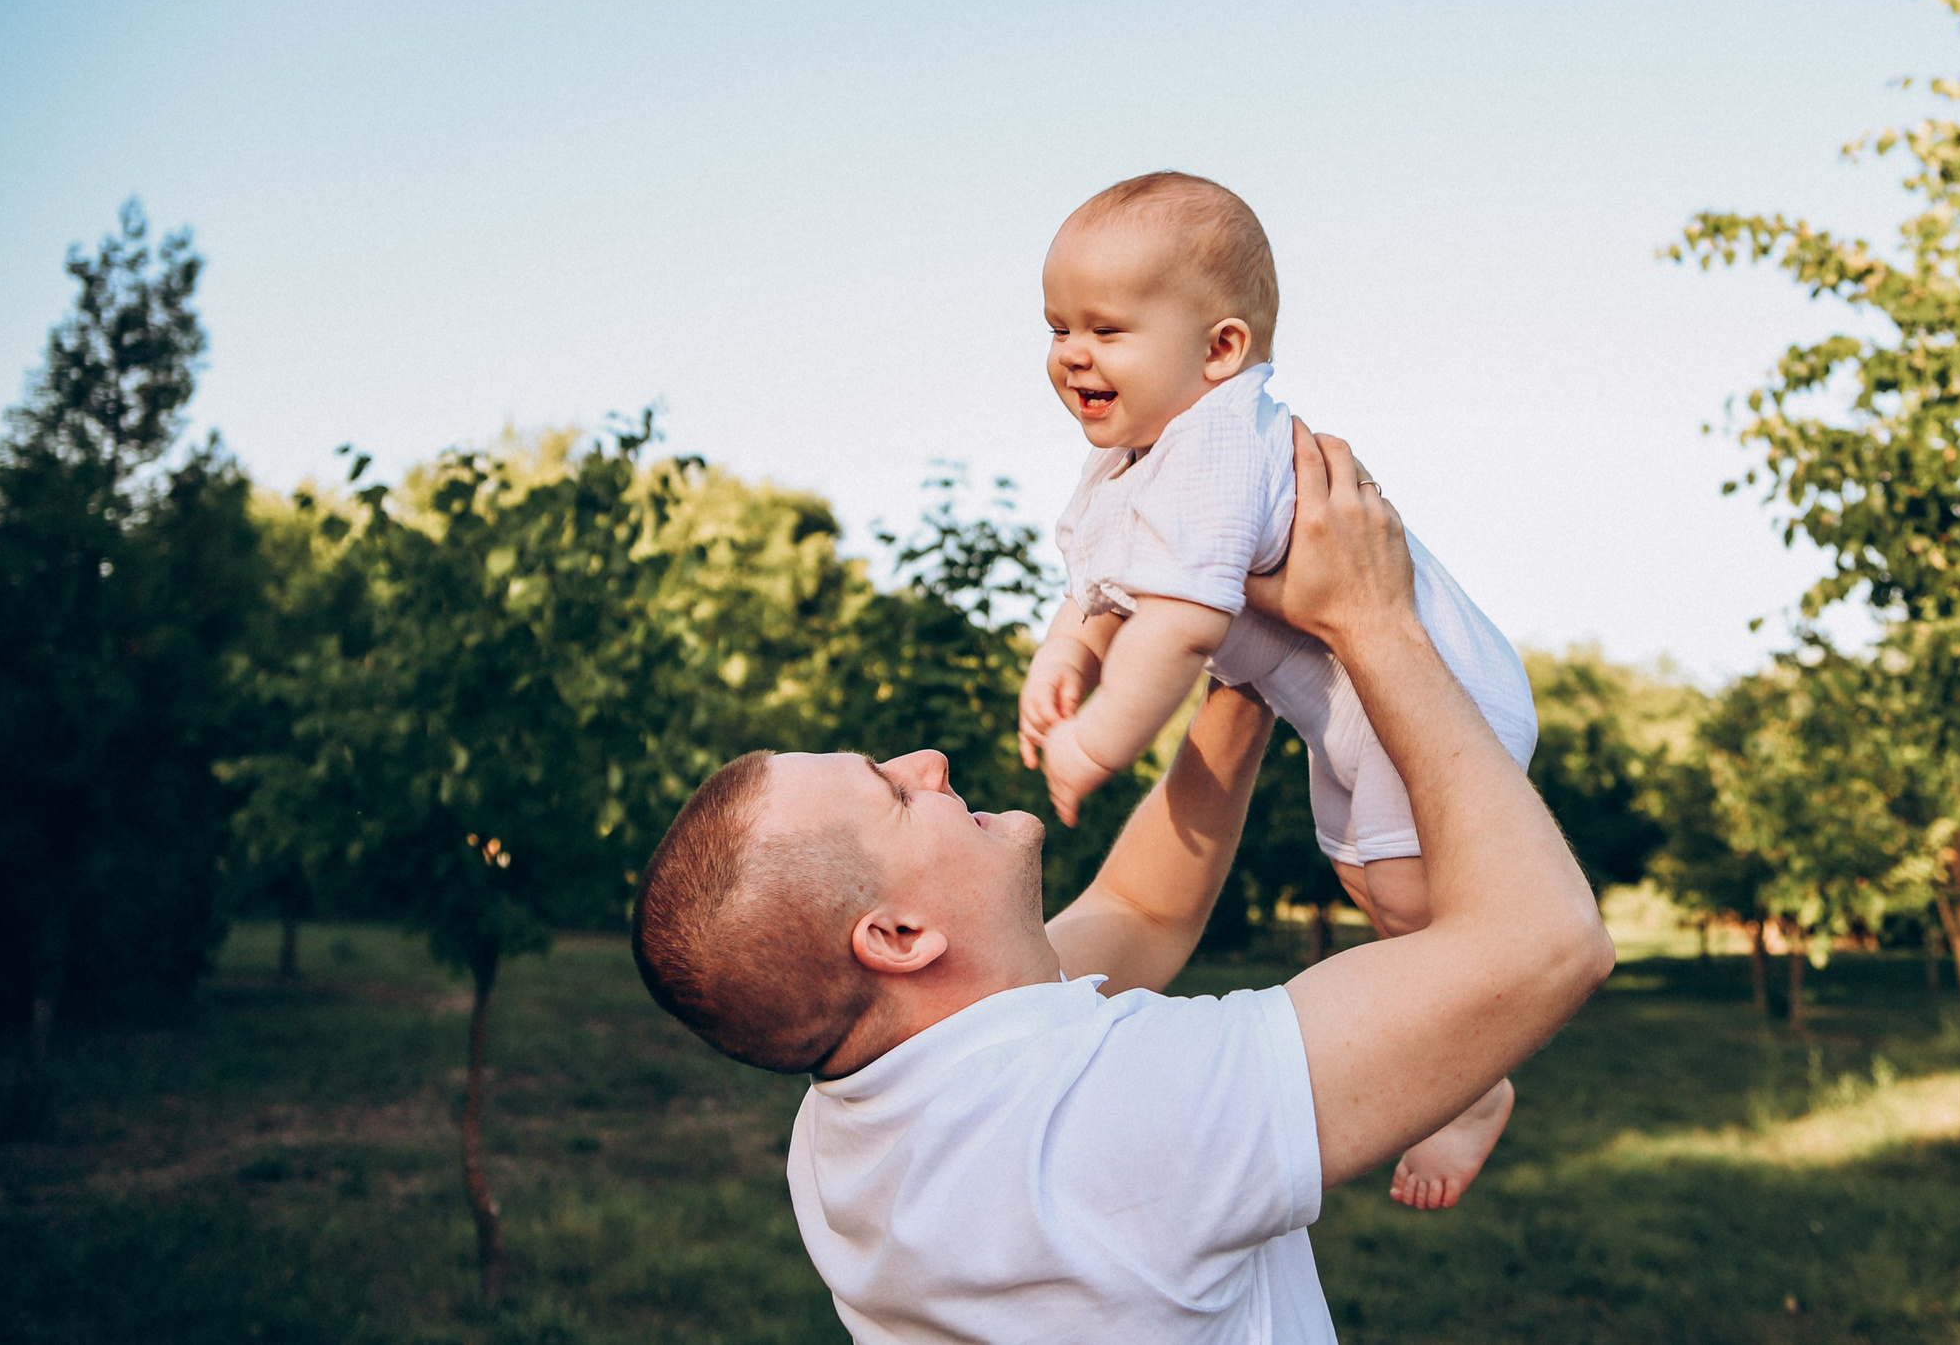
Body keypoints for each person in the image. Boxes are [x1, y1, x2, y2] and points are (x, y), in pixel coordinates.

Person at [632, 423, 1612, 1343]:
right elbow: (1543, 944)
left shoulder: (855, 1120)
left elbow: (1138, 913)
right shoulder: (1112, 1124)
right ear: (896, 937)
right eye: (891, 793)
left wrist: (1243, 662)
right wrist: (1370, 620)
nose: (925, 760)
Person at [1023, 170, 1537, 1208]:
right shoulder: (1134, 455)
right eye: (1056, 326)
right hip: (1340, 709)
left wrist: (1099, 740)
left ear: (1221, 350)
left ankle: (1473, 1076)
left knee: (1420, 908)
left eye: (1108, 328)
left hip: (1431, 691)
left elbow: (1181, 623)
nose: (1073, 352)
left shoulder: (1216, 443)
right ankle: (1468, 1056)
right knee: (1376, 892)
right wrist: (1064, 654)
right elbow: (1103, 581)